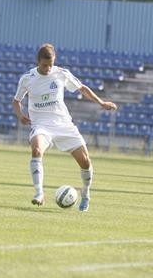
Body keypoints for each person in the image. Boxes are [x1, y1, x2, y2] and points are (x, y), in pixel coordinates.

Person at [12, 43, 118, 212]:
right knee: (37, 149)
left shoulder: (61, 74)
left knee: (85, 162)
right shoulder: (27, 78)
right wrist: (20, 115)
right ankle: (39, 193)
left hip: (64, 124)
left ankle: (86, 192)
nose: (48, 68)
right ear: (38, 61)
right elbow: (16, 100)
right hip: (41, 125)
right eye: (44, 65)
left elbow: (82, 88)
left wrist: (101, 102)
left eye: (51, 64)